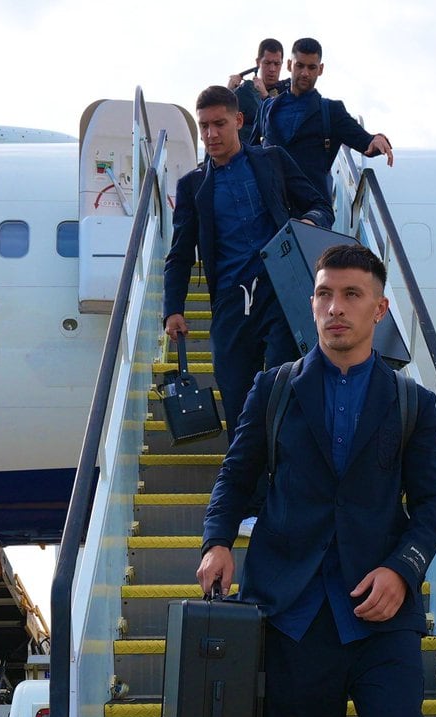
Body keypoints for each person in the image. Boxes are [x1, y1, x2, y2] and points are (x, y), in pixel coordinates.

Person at [196, 243, 436, 717]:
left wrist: (404, 569)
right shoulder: (274, 389)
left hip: (379, 609)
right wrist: (218, 540)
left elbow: (431, 506)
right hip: (293, 606)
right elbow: (236, 475)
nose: (333, 308)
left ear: (379, 308)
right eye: (322, 295)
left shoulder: (411, 404)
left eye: (349, 295)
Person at [163, 86, 333, 459]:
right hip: (229, 303)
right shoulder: (193, 186)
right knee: (239, 403)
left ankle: (286, 490)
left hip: (281, 294)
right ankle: (251, 508)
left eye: (219, 124)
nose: (210, 135)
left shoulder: (271, 160)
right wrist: (173, 308)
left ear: (238, 121)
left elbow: (321, 204)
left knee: (283, 392)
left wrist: (306, 221)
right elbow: (179, 254)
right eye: (203, 126)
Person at [253, 37, 394, 199]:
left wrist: (377, 140)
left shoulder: (332, 112)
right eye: (300, 65)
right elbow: (250, 154)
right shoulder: (268, 108)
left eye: (311, 67)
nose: (305, 73)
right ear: (290, 65)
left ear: (320, 69)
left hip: (311, 210)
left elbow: (364, 141)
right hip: (272, 209)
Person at [227, 38, 289, 143]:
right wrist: (228, 92)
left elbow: (285, 124)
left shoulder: (289, 90)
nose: (272, 69)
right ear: (258, 62)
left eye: (277, 64)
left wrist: (265, 96)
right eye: (267, 63)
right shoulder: (246, 92)